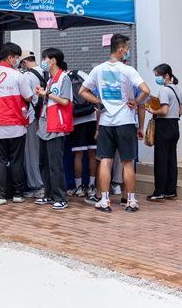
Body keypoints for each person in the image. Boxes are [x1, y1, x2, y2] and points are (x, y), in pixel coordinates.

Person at [78, 33, 150, 213]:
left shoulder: (98, 69)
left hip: (106, 122)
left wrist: (98, 102)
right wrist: (135, 101)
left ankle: (104, 201)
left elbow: (82, 91)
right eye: (127, 47)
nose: (128, 51)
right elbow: (146, 90)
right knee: (127, 162)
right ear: (121, 50)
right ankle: (131, 201)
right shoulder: (128, 70)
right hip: (125, 121)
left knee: (105, 161)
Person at [0, 43, 33, 205]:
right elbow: (29, 97)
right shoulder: (18, 75)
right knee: (17, 159)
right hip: (16, 124)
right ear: (10, 57)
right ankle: (18, 194)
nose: (17, 61)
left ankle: (0, 195)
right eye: (16, 58)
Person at [33, 49, 73, 210]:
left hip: (57, 125)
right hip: (45, 124)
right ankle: (48, 193)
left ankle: (60, 196)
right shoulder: (50, 79)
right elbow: (51, 99)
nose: (43, 62)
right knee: (44, 162)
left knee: (55, 163)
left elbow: (64, 101)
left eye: (45, 59)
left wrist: (47, 93)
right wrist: (43, 94)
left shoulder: (64, 78)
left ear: (53, 60)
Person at [145, 63, 181, 202]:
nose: (157, 78)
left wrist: (152, 111)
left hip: (164, 126)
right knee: (171, 160)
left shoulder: (165, 91)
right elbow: (179, 111)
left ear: (166, 75)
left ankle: (159, 193)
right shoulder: (177, 90)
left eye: (158, 75)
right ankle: (171, 191)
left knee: (161, 160)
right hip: (174, 126)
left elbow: (164, 111)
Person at [67, 69, 99, 197]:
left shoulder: (64, 79)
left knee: (78, 154)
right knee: (92, 153)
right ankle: (91, 186)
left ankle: (78, 187)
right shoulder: (82, 74)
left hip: (77, 119)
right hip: (91, 116)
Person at [20, 51, 46, 198]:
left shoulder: (27, 76)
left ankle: (37, 185)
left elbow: (26, 96)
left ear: (24, 62)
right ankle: (45, 184)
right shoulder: (47, 73)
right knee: (44, 152)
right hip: (46, 117)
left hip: (32, 118)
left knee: (31, 152)